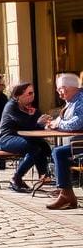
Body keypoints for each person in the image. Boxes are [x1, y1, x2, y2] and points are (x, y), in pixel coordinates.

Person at [0, 81, 52, 193]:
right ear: (18, 96)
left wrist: (46, 123)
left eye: (33, 93)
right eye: (29, 93)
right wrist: (37, 122)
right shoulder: (11, 106)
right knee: (34, 147)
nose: (33, 96)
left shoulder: (30, 108)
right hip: (7, 138)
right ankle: (16, 178)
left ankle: (44, 175)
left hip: (24, 138)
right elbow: (26, 124)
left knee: (43, 145)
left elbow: (36, 127)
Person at [44, 73, 83, 210]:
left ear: (67, 88)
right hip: (76, 142)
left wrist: (58, 124)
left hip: (80, 143)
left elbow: (77, 123)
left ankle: (66, 194)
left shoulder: (81, 99)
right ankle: (66, 194)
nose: (59, 92)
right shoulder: (72, 101)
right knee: (58, 151)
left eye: (60, 89)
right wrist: (56, 122)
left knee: (59, 152)